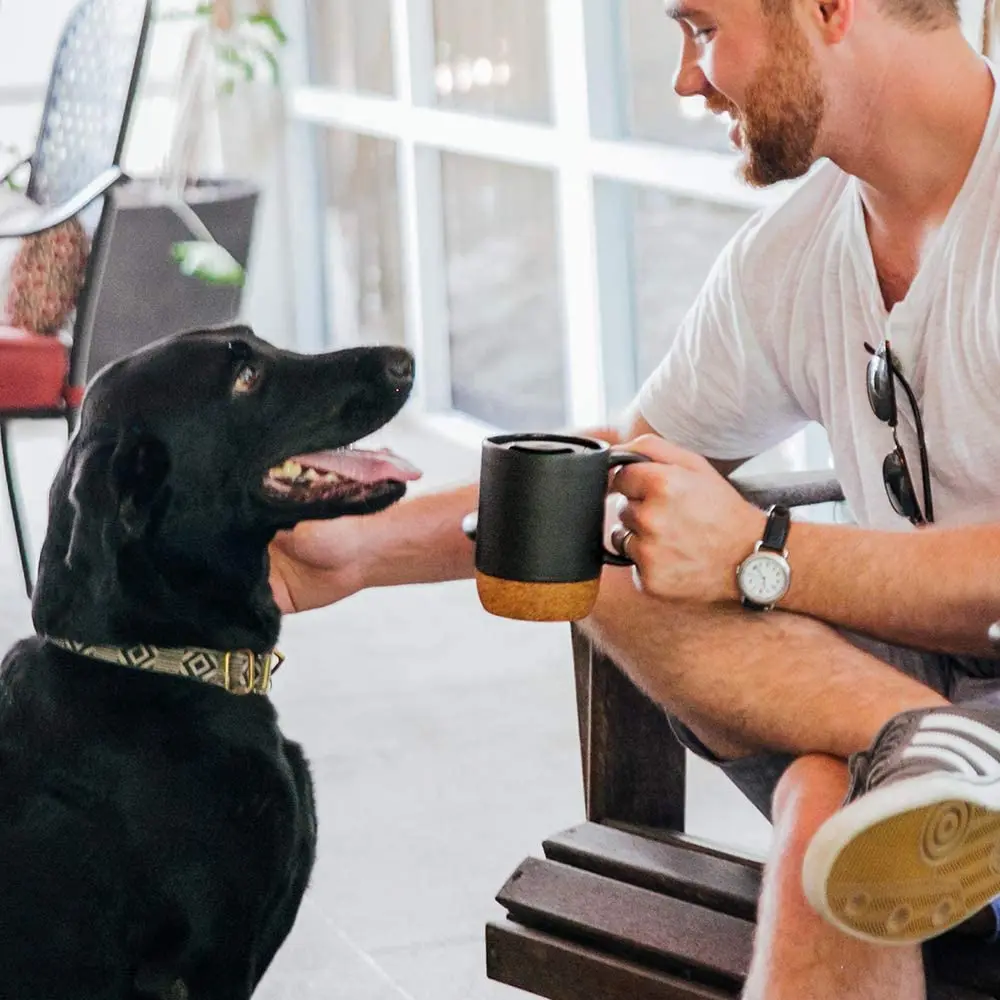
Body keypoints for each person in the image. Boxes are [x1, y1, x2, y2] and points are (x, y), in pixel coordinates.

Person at [270, 0, 1000, 994]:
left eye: (701, 28)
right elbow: (617, 458)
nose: (685, 79)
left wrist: (758, 544)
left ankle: (912, 752)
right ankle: (920, 748)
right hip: (930, 697)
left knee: (823, 793)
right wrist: (355, 554)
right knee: (606, 534)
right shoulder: (797, 250)